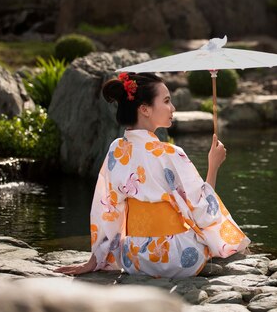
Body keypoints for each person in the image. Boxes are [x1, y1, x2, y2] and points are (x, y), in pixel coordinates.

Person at [55, 72, 250, 278]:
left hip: (134, 257)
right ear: (145, 109)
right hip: (176, 257)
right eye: (166, 101)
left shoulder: (116, 149)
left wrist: (96, 258)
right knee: (208, 238)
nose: (172, 108)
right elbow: (202, 210)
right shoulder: (170, 153)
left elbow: (108, 208)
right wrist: (213, 165)